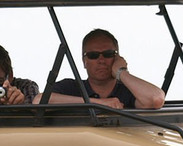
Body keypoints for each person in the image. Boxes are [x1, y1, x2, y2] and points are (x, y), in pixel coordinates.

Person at [32, 28, 164, 110]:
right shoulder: (71, 88)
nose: (101, 60)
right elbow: (39, 101)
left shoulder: (128, 90)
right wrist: (99, 103)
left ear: (117, 57)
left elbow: (155, 99)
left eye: (108, 54)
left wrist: (122, 72)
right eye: (93, 55)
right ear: (85, 62)